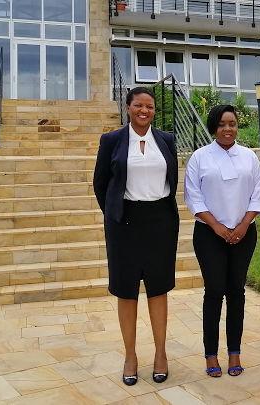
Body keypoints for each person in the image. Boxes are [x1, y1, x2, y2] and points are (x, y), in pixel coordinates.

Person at [93, 87, 179, 386]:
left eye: (150, 106)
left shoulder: (166, 139)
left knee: (158, 289)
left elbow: (172, 178)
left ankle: (160, 354)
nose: (145, 111)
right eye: (139, 105)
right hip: (124, 224)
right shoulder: (112, 140)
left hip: (160, 223)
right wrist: (115, 213)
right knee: (126, 291)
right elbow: (100, 183)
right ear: (128, 108)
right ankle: (130, 355)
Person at [184, 105, 260, 378]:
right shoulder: (199, 158)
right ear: (213, 127)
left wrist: (242, 225)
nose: (228, 129)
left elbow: (257, 194)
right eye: (221, 124)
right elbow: (193, 197)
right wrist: (217, 226)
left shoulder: (249, 157)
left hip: (244, 233)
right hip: (209, 234)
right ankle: (210, 354)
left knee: (237, 293)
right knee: (214, 292)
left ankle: (234, 353)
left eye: (232, 123)